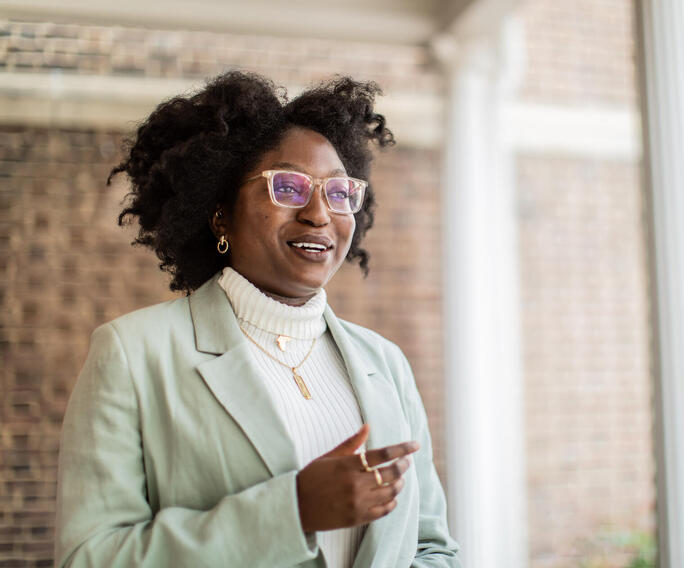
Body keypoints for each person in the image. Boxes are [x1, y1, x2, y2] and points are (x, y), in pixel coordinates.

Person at [54, 71, 460, 567]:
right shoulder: (133, 353)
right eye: (287, 187)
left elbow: (432, 549)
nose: (319, 213)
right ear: (219, 211)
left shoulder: (385, 363)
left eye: (338, 193)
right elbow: (90, 557)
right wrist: (292, 512)